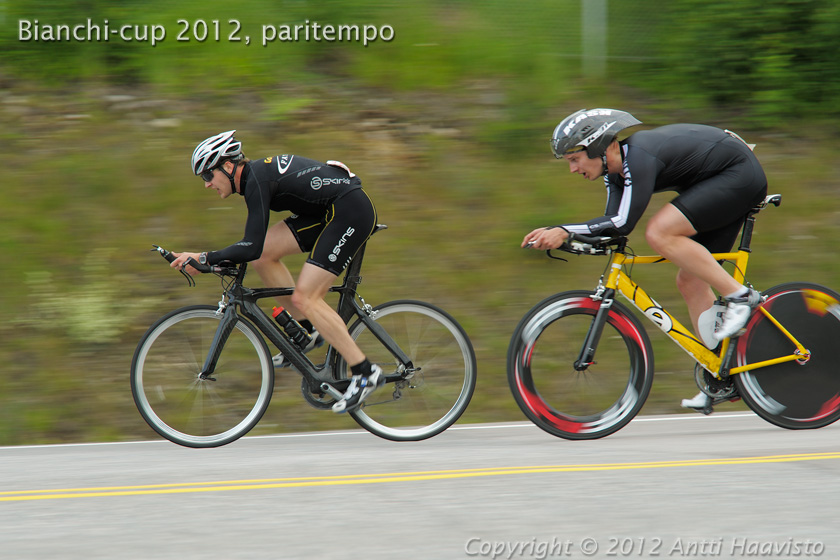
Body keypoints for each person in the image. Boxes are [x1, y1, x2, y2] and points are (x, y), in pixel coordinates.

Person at [521, 108, 768, 413]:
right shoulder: (614, 175)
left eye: (574, 159)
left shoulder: (638, 158)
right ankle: (722, 375)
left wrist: (563, 230)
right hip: (719, 181)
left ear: (598, 147)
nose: (572, 169)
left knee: (659, 232)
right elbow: (611, 227)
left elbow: (623, 223)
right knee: (690, 281)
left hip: (738, 174)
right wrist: (570, 239)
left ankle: (740, 297)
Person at [170, 130, 382, 413]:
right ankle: (306, 331)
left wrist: (204, 258)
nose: (207, 184)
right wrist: (212, 260)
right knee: (265, 256)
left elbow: (249, 246)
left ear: (228, 166)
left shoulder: (256, 180)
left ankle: (365, 372)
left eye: (208, 175)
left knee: (306, 297)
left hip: (349, 212)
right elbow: (256, 249)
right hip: (326, 211)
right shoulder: (254, 179)